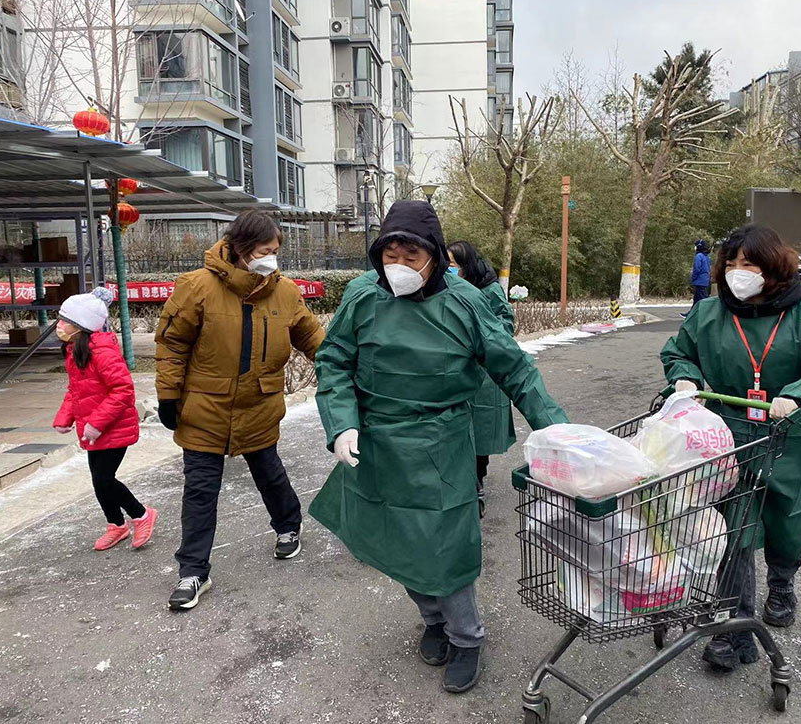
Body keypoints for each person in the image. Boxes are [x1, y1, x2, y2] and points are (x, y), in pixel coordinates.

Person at [309, 201, 568, 694]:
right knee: (396, 538)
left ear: (434, 256)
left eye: (412, 254)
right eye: (390, 254)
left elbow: (513, 367)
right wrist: (341, 424)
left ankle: (467, 637)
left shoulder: (465, 302)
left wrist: (556, 431)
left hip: (441, 440)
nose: (400, 266)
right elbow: (335, 359)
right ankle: (432, 619)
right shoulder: (363, 296)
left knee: (446, 546)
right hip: (378, 440)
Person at [662, 226, 801, 672]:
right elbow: (678, 352)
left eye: (748, 264)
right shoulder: (708, 314)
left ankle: (783, 583)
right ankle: (735, 631)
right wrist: (684, 377)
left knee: (788, 519)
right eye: (730, 264)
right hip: (729, 434)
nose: (738, 273)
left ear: (772, 267)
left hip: (794, 433)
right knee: (734, 529)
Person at [155, 211, 326, 611]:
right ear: (242, 248)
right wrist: (167, 395)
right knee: (200, 490)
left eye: (276, 251)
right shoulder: (196, 287)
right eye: (266, 251)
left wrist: (349, 370)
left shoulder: (284, 292)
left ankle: (288, 527)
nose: (272, 258)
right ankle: (193, 571)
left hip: (259, 404)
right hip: (205, 408)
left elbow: (313, 338)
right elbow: (172, 344)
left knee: (269, 473)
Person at [53, 288, 157, 551]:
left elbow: (123, 390)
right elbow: (76, 390)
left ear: (82, 327)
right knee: (98, 480)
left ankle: (141, 515)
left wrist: (97, 423)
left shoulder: (102, 351)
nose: (60, 326)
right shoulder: (75, 350)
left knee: (104, 479)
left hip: (112, 427)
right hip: (94, 429)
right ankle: (116, 525)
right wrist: (65, 418)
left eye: (66, 321)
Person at [446, 240, 516, 518]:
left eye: (451, 266)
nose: (446, 271)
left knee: (480, 431)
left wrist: (481, 337)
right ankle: (468, 481)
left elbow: (506, 324)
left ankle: (476, 482)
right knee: (460, 429)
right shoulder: (446, 289)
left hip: (484, 372)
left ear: (466, 266)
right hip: (456, 369)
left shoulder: (488, 290)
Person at [682, 239, 712, 318]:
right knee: (696, 299)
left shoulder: (698, 256)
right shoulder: (707, 257)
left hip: (699, 281)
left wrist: (693, 278)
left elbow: (697, 269)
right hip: (705, 280)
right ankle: (691, 314)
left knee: (704, 298)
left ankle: (711, 314)